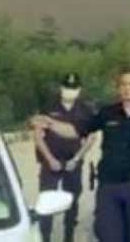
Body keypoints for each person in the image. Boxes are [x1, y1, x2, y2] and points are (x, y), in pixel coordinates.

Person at [30, 68, 130, 242]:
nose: (126, 88)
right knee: (107, 235)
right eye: (122, 84)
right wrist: (49, 123)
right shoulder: (107, 113)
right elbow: (75, 131)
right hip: (109, 186)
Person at [34, 72, 95, 242]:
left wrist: (76, 159)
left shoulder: (86, 109)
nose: (70, 91)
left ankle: (69, 237)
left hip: (73, 162)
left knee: (72, 201)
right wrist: (50, 159)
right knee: (46, 202)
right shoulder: (48, 107)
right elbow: (38, 136)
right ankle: (45, 237)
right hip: (50, 162)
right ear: (61, 88)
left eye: (73, 88)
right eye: (67, 87)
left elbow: (91, 137)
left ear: (79, 90)